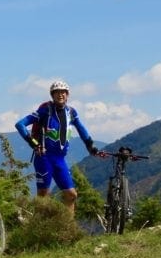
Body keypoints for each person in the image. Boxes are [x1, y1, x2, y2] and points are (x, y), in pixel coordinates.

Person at [14, 80, 101, 214]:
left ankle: (68, 229)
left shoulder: (71, 112)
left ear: (67, 95)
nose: (60, 95)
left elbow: (81, 129)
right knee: (43, 196)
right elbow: (20, 124)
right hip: (44, 158)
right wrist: (34, 144)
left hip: (60, 159)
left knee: (71, 195)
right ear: (52, 95)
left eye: (63, 92)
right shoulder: (45, 110)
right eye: (57, 93)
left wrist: (91, 146)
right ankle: (39, 228)